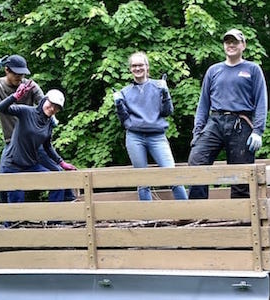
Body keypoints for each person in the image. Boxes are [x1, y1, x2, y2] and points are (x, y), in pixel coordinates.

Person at [0, 54, 76, 201]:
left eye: (22, 74)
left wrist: (52, 118)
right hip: (12, 143)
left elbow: (45, 101)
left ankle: (70, 203)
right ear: (7, 70)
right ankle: (12, 217)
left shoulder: (29, 86)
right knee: (3, 182)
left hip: (33, 141)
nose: (20, 77)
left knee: (56, 172)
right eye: (16, 74)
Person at [188, 29, 268, 199]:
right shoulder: (213, 70)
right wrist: (197, 132)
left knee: (240, 173)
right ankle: (196, 212)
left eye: (235, 42)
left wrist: (258, 131)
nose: (231, 45)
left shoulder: (252, 69)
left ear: (243, 45)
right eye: (227, 42)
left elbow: (262, 101)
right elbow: (203, 104)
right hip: (215, 121)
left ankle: (242, 219)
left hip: (241, 122)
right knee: (197, 161)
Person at [113, 51, 188, 201]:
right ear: (130, 69)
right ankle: (148, 218)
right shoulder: (125, 92)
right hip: (135, 137)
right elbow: (124, 120)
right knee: (142, 179)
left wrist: (166, 94)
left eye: (140, 65)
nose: (137, 68)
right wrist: (119, 105)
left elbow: (167, 112)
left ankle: (187, 210)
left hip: (157, 136)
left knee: (171, 175)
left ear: (147, 67)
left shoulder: (158, 86)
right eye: (134, 66)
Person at [0, 84, 77, 202]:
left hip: (31, 165)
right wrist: (15, 96)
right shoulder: (26, 112)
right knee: (16, 201)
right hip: (13, 164)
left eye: (57, 107)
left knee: (58, 182)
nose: (53, 108)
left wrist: (61, 162)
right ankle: (13, 221)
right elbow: (0, 108)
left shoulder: (49, 123)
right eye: (51, 104)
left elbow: (47, 146)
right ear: (44, 100)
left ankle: (55, 219)